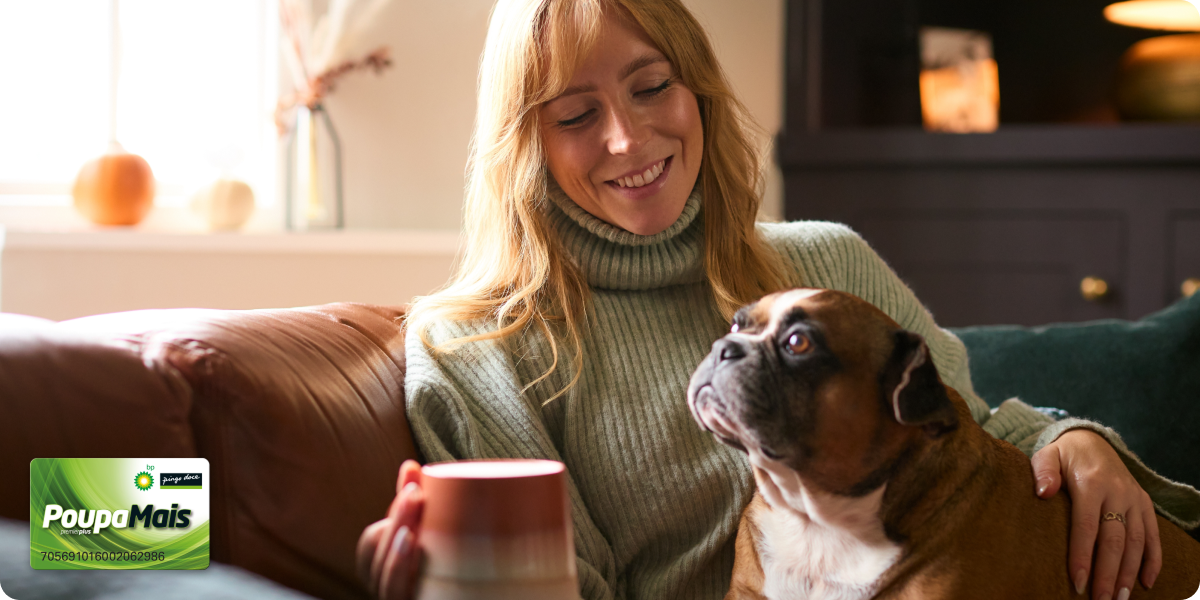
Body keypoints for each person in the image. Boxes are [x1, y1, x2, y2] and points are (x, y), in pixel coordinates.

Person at [358, 1, 1200, 598]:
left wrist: (1070, 437)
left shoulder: (823, 264)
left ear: (698, 90)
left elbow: (962, 433)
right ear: (524, 144)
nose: (627, 137)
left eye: (651, 87)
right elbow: (546, 584)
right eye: (576, 114)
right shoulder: (477, 348)